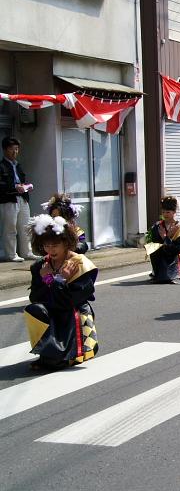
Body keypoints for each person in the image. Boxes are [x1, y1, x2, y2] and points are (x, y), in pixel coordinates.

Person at [24, 214, 98, 370]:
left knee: (68, 314)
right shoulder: (40, 266)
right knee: (34, 310)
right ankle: (48, 354)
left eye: (55, 245)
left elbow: (70, 301)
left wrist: (58, 280)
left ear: (66, 243)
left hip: (73, 310)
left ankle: (61, 356)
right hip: (51, 307)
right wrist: (46, 280)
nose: (50, 250)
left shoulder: (80, 263)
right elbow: (35, 297)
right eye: (47, 246)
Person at [0, 136, 34, 261]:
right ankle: (11, 254)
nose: (15, 152)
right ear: (5, 150)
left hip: (22, 198)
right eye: (12, 149)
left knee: (25, 227)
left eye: (17, 149)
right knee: (10, 228)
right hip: (9, 200)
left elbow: (22, 180)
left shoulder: (18, 165)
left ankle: (27, 252)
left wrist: (25, 187)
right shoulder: (2, 166)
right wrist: (15, 186)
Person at [145, 196, 180, 284]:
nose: (165, 214)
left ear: (174, 212)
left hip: (174, 255)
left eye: (168, 212)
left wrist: (166, 238)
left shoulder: (179, 227)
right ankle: (158, 273)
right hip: (161, 255)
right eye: (163, 212)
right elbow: (153, 241)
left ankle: (171, 274)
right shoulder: (158, 225)